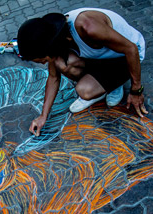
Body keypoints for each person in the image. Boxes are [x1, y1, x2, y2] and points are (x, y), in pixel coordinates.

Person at [17, 8, 147, 137]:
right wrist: (43, 116)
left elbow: (131, 49)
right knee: (60, 64)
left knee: (84, 90)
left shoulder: (88, 27)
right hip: (103, 56)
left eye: (43, 60)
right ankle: (106, 84)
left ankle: (114, 83)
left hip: (126, 56)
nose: (44, 63)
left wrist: (136, 90)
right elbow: (53, 77)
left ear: (49, 48)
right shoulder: (54, 36)